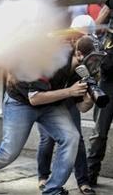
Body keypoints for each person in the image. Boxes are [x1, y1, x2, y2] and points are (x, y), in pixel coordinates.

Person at [0, 36, 98, 195]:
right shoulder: (51, 57)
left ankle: (52, 190)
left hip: (50, 104)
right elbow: (34, 98)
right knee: (9, 151)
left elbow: (82, 108)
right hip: (21, 102)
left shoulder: (81, 71)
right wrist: (70, 91)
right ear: (79, 54)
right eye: (93, 59)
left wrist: (89, 100)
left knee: (71, 137)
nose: (95, 64)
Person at [36, 20, 97, 195]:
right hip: (48, 98)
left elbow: (84, 106)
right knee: (47, 139)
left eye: (87, 34)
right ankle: (43, 177)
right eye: (80, 34)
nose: (82, 37)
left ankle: (83, 181)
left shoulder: (89, 53)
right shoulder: (58, 49)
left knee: (77, 139)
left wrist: (89, 94)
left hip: (70, 97)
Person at [87, 0, 113, 186]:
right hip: (108, 80)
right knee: (99, 131)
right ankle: (90, 174)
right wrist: (109, 4)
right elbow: (94, 28)